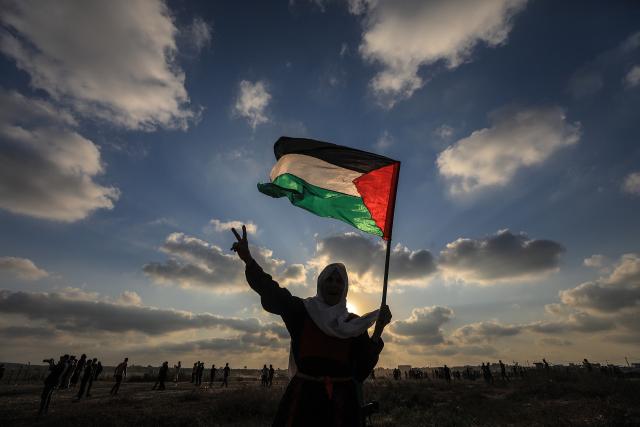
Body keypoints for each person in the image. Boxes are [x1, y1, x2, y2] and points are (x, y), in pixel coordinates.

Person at [231, 225, 392, 426]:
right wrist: (249, 261)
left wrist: (378, 330)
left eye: (339, 281)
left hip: (342, 406)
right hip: (302, 403)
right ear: (320, 283)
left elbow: (360, 371)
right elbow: (272, 292)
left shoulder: (353, 324)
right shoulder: (302, 311)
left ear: (345, 288)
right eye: (329, 279)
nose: (334, 284)